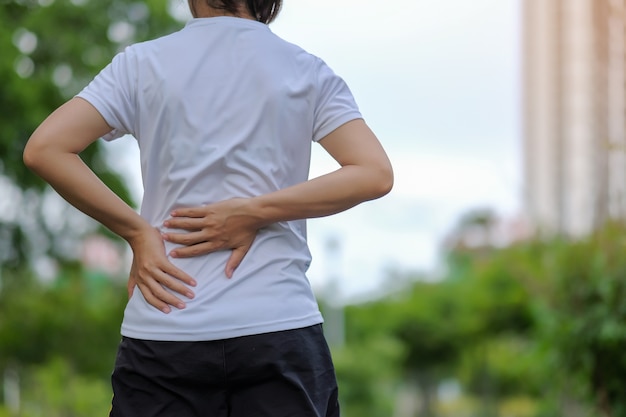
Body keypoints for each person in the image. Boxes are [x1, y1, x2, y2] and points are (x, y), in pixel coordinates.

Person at [23, 0, 393, 415]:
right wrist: (255, 210)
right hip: (277, 326)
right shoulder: (305, 69)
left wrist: (137, 232)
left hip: (165, 325)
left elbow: (46, 148)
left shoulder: (141, 64)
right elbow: (373, 172)